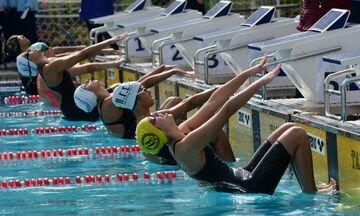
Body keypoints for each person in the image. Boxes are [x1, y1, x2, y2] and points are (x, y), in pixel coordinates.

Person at [135, 56, 337, 194]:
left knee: (285, 129)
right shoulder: (185, 148)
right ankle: (313, 194)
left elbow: (215, 100)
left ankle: (310, 188)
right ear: (159, 132)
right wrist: (260, 82)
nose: (160, 113)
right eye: (155, 118)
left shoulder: (181, 135)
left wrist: (251, 72)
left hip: (242, 175)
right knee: (297, 134)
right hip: (248, 187)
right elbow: (226, 110)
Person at [73, 64, 235, 164]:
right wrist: (223, 88)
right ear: (136, 101)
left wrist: (164, 69)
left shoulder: (141, 125)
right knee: (216, 133)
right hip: (177, 161)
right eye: (143, 92)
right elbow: (189, 103)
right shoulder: (153, 119)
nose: (149, 92)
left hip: (165, 160)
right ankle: (231, 166)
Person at [16, 32, 128, 121]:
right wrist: (110, 41)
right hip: (76, 110)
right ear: (30, 63)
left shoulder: (46, 66)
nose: (30, 50)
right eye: (28, 53)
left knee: (117, 89)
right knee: (121, 97)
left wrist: (106, 51)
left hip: (70, 109)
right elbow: (82, 55)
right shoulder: (49, 68)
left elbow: (72, 54)